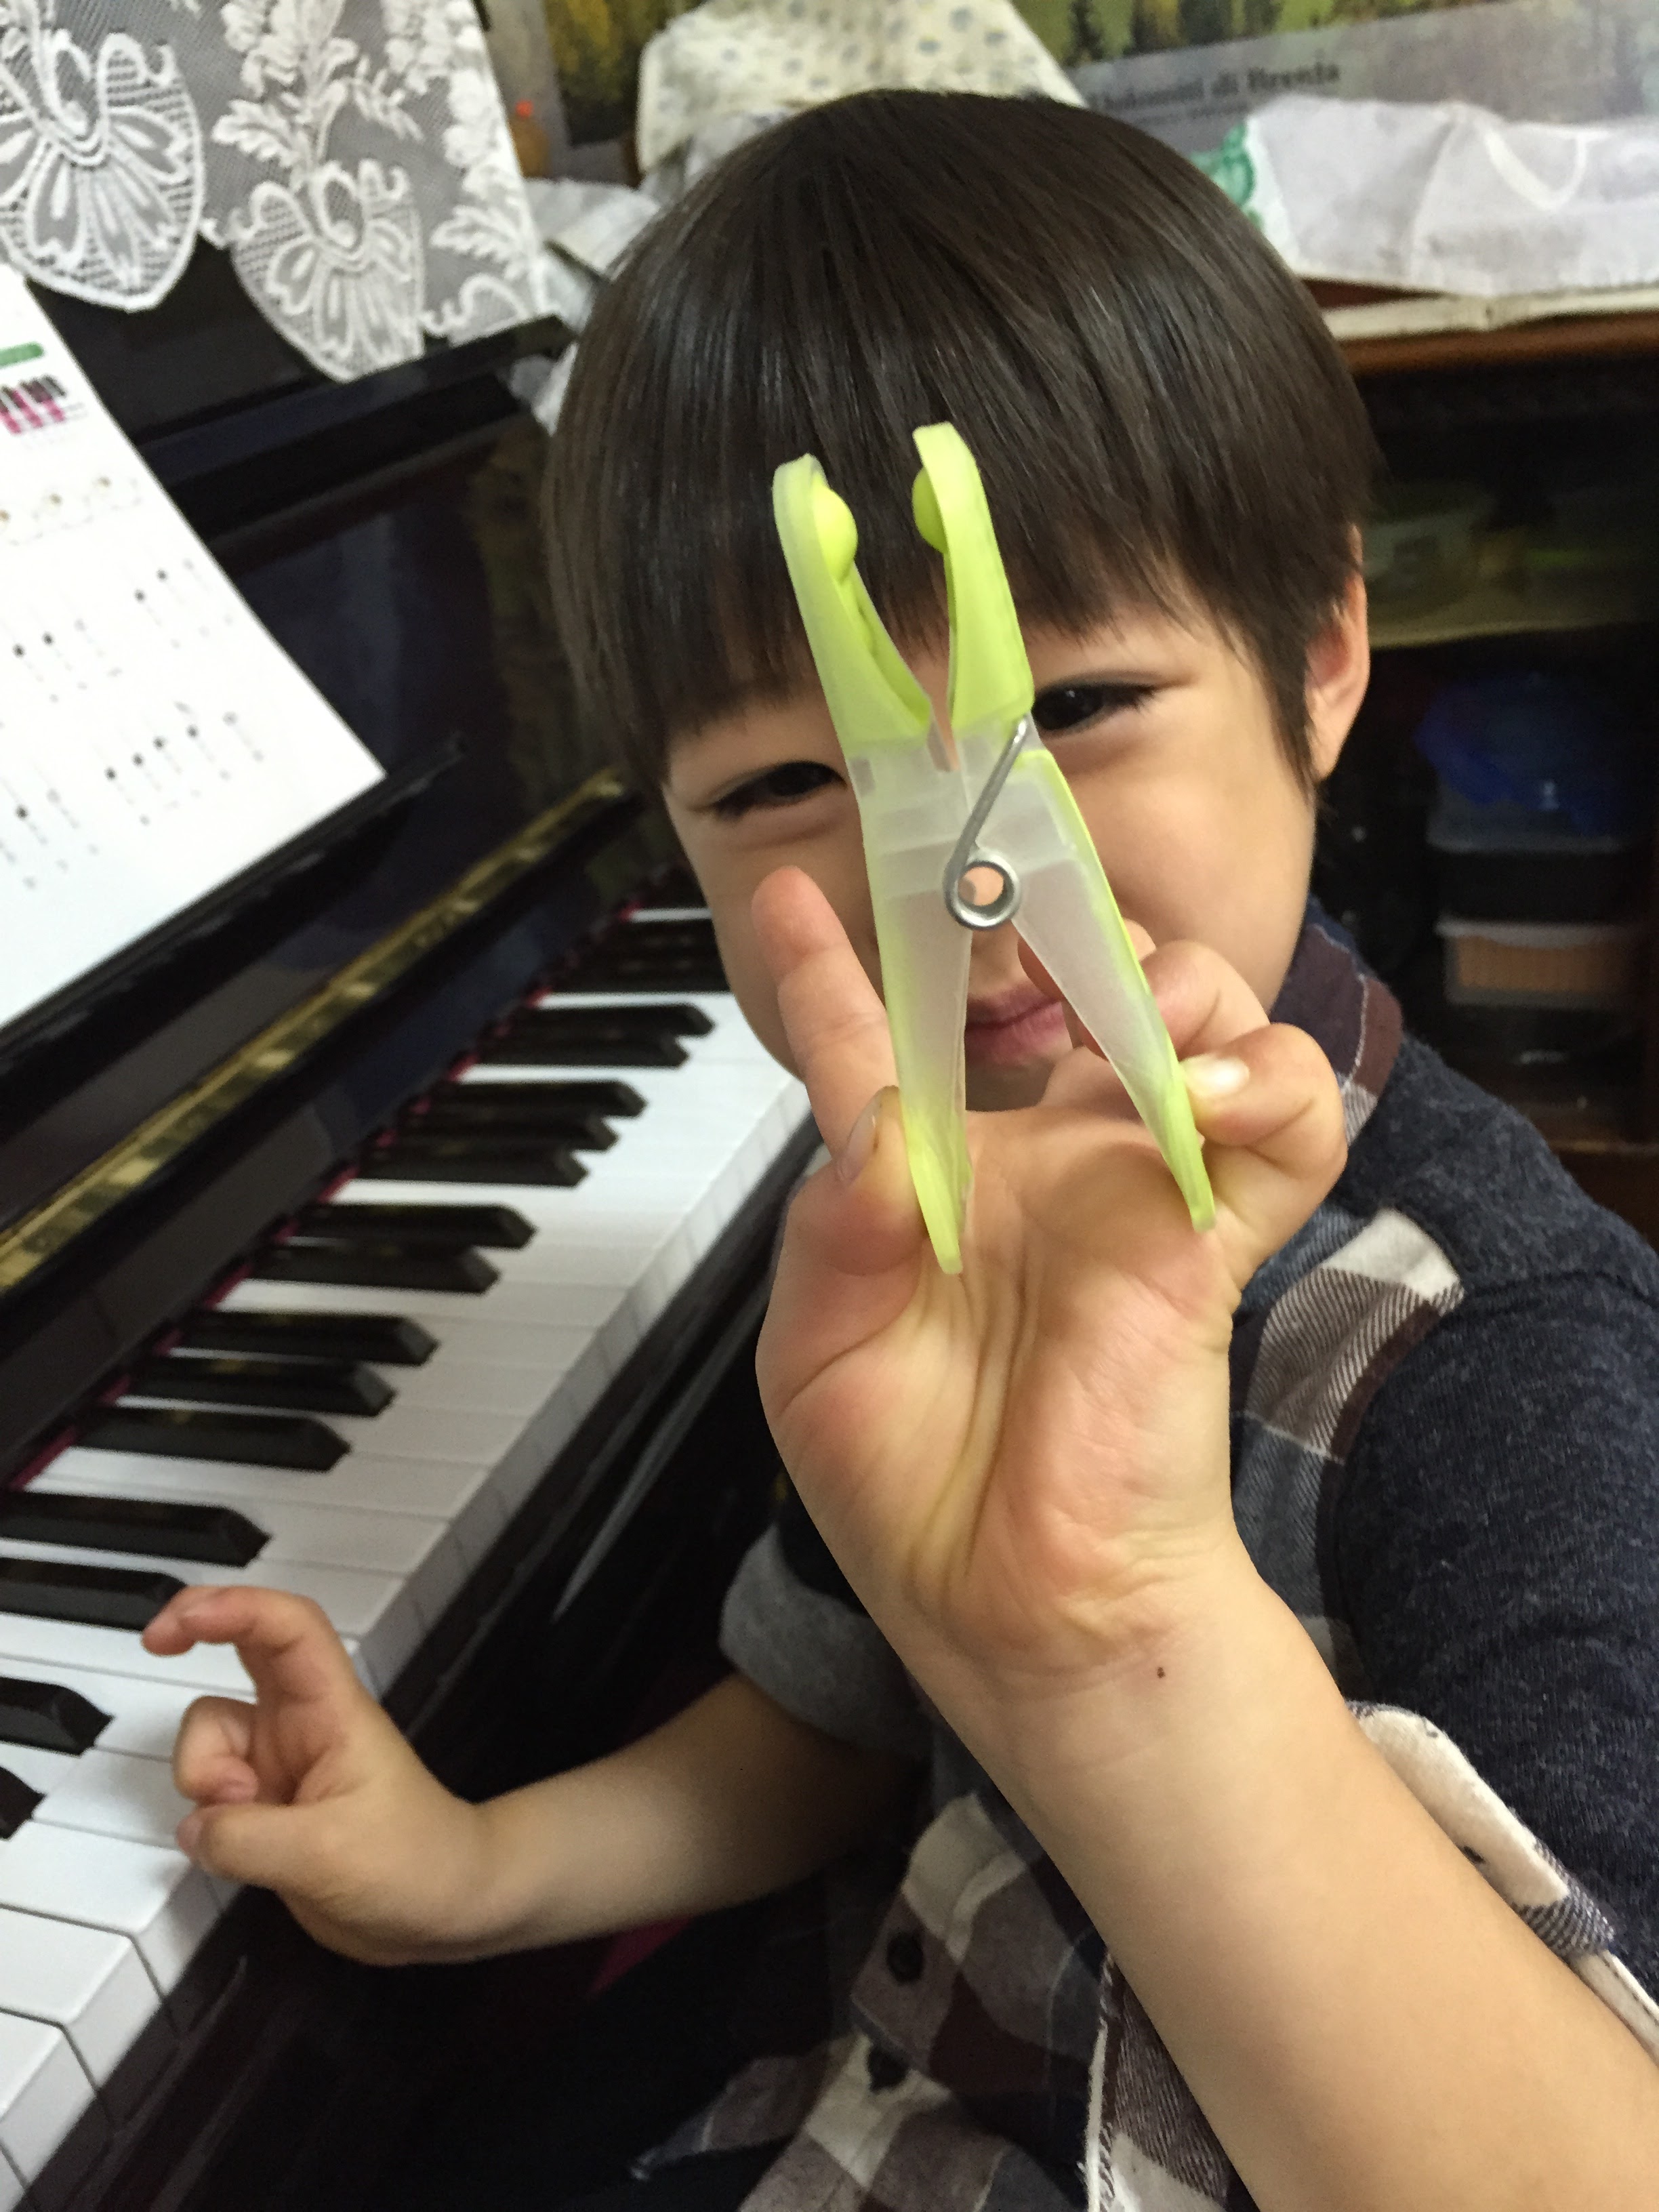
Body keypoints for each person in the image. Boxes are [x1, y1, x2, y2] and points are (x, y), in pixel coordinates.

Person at [144, 90, 1659, 2211]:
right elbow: (841, 1721)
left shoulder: (1501, 1358)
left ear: (1322, 659)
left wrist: (1116, 1633)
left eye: (1073, 710)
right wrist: (475, 1869)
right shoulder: (900, 1211)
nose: (950, 877)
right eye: (787, 786)